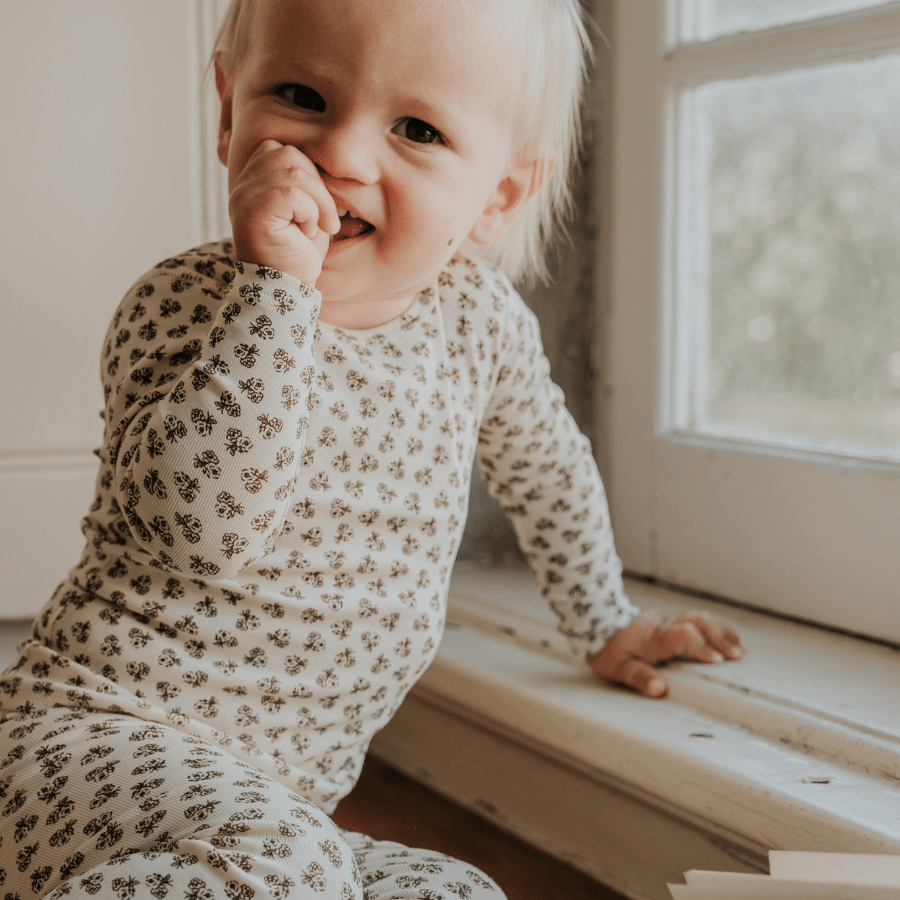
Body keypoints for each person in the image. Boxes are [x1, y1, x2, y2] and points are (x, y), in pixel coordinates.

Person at [0, 0, 744, 897]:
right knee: (287, 859)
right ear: (231, 112)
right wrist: (274, 293)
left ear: (499, 197)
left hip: (274, 816)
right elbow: (198, 532)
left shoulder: (478, 326)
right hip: (82, 744)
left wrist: (605, 622)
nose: (343, 156)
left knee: (456, 892)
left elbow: (547, 470)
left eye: (417, 128)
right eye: (302, 95)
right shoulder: (188, 306)